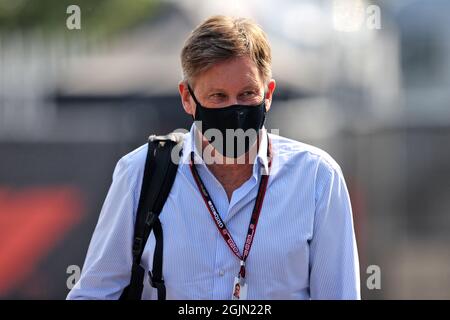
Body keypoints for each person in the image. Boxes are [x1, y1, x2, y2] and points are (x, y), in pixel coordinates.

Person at [67, 15, 360, 300]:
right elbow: (94, 293)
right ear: (186, 97)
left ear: (268, 93)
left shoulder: (318, 178)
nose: (235, 110)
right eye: (218, 96)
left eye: (247, 94)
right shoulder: (140, 173)